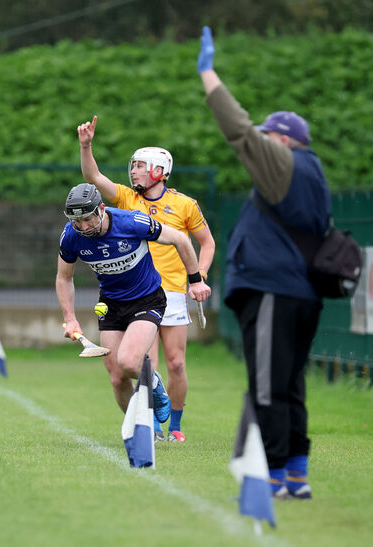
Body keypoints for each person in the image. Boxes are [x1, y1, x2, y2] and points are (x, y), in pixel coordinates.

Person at [197, 26, 330, 500]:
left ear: (285, 141)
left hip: (276, 291)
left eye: (271, 137)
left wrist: (210, 76)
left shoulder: (284, 166)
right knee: (289, 384)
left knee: (269, 387)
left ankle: (272, 474)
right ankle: (295, 473)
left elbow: (238, 130)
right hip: (300, 293)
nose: (262, 144)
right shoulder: (312, 173)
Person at [76, 118, 216, 443]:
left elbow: (206, 243)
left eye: (140, 166)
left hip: (174, 292)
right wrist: (86, 146)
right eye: (134, 165)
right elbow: (93, 177)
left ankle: (176, 425)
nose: (134, 171)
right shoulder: (126, 199)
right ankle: (151, 424)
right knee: (143, 362)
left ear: (159, 170)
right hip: (141, 293)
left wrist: (200, 278)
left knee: (177, 362)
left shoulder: (185, 204)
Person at [56, 183, 211, 430]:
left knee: (128, 362)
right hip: (111, 305)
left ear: (101, 209)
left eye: (87, 219)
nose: (83, 227)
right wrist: (70, 318)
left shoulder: (132, 222)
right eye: (77, 221)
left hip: (147, 299)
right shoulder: (72, 236)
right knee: (117, 377)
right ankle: (141, 427)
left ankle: (156, 387)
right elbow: (64, 278)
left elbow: (181, 239)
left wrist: (195, 280)